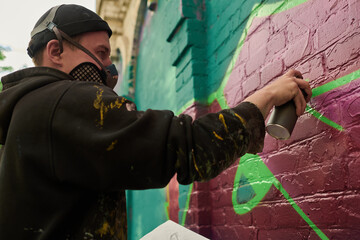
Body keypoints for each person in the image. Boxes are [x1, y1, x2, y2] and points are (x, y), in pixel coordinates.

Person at [0, 4, 311, 240]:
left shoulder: (19, 115)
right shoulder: (64, 101)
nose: (109, 68)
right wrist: (267, 95)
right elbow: (189, 148)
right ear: (55, 51)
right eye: (100, 53)